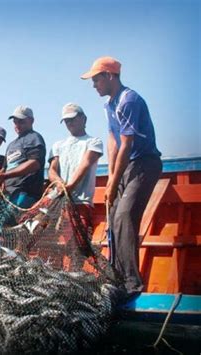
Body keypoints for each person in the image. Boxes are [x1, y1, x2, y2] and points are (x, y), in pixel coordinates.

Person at [81, 56, 162, 298]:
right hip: (126, 166)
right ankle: (116, 279)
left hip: (145, 164)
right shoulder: (109, 105)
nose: (94, 85)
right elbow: (113, 142)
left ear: (110, 76)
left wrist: (114, 182)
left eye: (96, 79)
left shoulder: (129, 100)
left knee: (125, 216)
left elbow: (128, 144)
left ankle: (132, 285)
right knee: (114, 216)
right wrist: (111, 178)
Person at [48, 103, 103, 232]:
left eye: (72, 119)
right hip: (57, 198)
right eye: (66, 120)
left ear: (84, 118)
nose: (69, 123)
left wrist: (70, 186)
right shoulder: (58, 145)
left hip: (80, 202)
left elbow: (86, 163)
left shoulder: (94, 142)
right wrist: (59, 183)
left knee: (80, 243)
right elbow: (52, 170)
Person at [0, 105, 46, 208]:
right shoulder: (11, 144)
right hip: (8, 194)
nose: (17, 125)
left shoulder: (34, 138)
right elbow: (5, 168)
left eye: (21, 121)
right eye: (15, 122)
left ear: (31, 120)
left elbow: (34, 164)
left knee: (14, 222)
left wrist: (6, 176)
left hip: (25, 194)